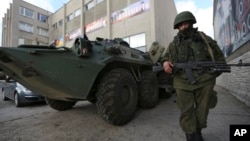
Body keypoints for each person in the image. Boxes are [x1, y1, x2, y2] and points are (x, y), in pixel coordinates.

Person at [161, 11, 226, 141]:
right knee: (186, 110)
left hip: (205, 80)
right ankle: (191, 134)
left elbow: (220, 58)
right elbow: (165, 58)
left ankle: (198, 130)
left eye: (186, 23)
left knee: (203, 110)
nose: (184, 27)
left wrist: (213, 73)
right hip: (181, 81)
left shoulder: (204, 39)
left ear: (191, 23)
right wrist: (165, 63)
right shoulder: (173, 44)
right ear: (177, 27)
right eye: (181, 25)